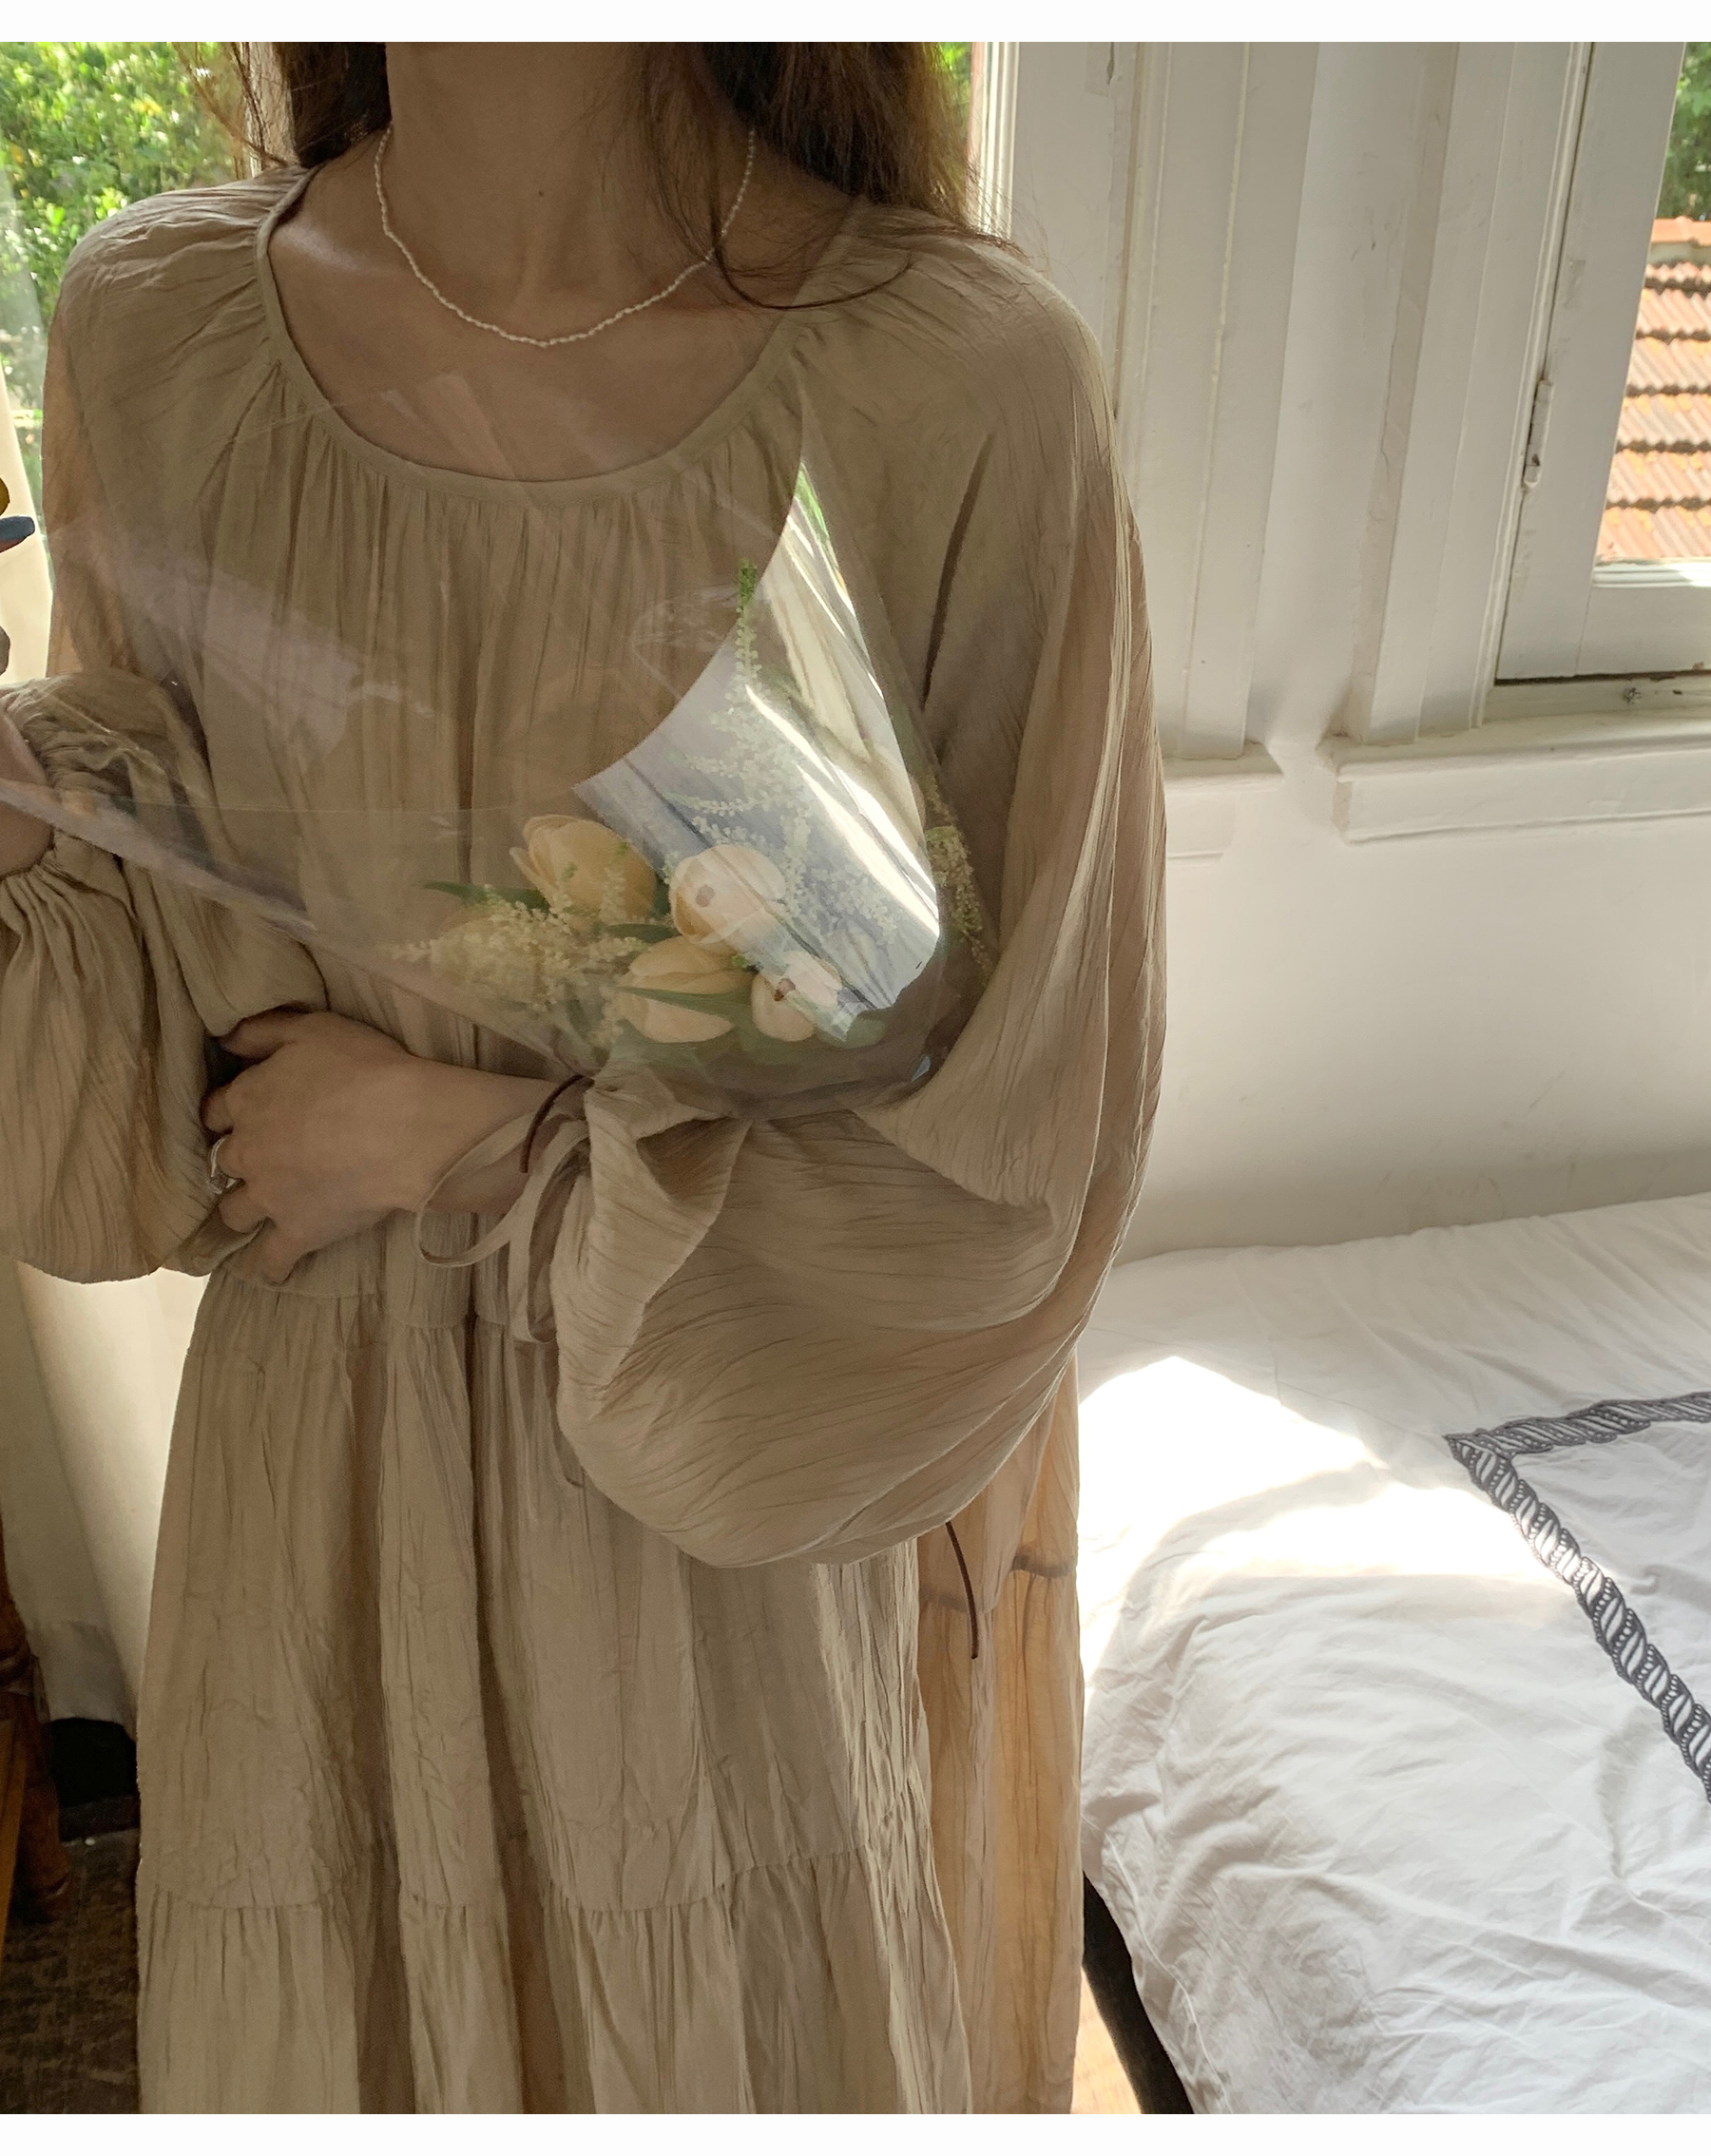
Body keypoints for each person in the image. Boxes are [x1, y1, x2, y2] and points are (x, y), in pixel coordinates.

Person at [0, 41, 1163, 2112]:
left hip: (707, 1525)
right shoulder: (152, 329)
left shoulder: (959, 386)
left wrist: (470, 1144)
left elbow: (1012, 1169)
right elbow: (141, 1082)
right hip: (319, 1518)